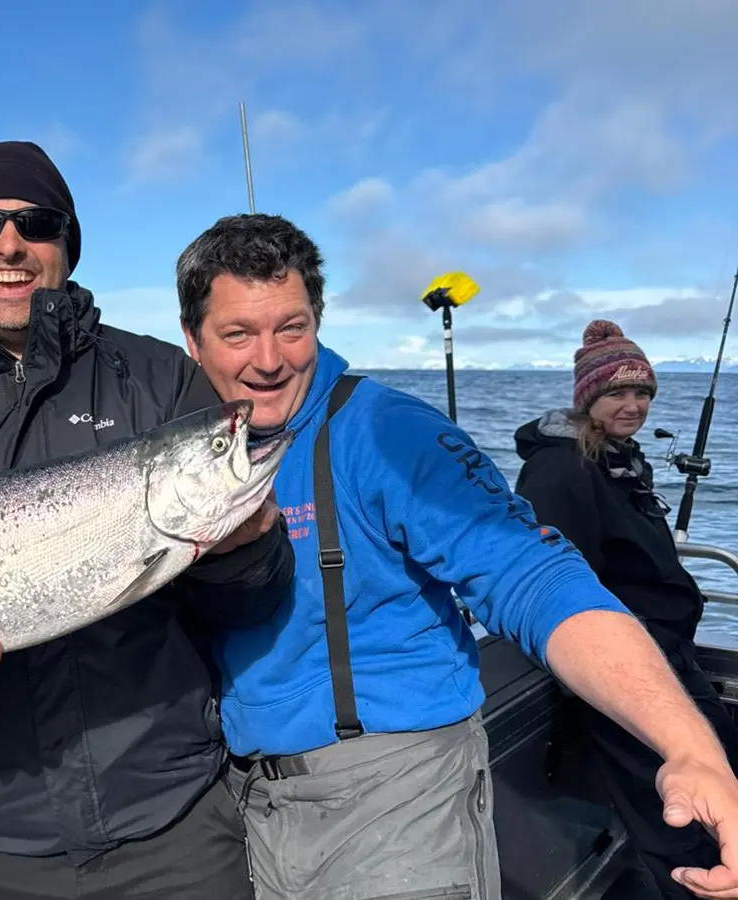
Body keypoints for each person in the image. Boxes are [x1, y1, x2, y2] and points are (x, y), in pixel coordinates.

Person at [168, 213, 738, 900]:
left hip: (396, 800)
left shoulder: (388, 432)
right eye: (238, 334)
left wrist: (689, 744)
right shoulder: (184, 450)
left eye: (292, 327)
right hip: (240, 805)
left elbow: (532, 576)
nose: (269, 358)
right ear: (191, 339)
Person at [0, 141, 295, 900]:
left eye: (36, 222)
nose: (9, 243)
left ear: (66, 245)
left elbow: (249, 605)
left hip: (173, 821)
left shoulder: (159, 376)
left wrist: (248, 547)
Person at [513, 320, 738, 900]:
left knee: (722, 772)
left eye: (643, 393)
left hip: (668, 651)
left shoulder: (616, 457)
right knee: (679, 816)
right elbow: (558, 578)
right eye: (618, 393)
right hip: (625, 666)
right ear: (588, 398)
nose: (633, 405)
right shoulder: (561, 468)